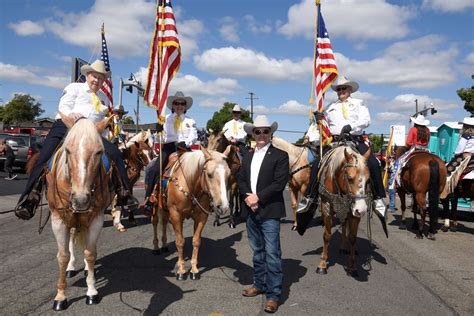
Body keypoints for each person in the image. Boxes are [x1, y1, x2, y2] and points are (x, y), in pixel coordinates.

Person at [14, 59, 138, 220]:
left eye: (101, 78)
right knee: (44, 157)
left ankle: (124, 193)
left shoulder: (103, 99)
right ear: (87, 75)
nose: (97, 80)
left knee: (115, 154)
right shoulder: (74, 88)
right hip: (67, 126)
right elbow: (63, 106)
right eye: (94, 76)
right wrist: (71, 114)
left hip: (92, 132)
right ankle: (29, 198)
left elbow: (102, 121)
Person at [296, 76, 388, 235]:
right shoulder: (330, 106)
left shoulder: (359, 104)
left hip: (354, 139)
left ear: (350, 90)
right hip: (335, 142)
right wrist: (319, 119)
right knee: (317, 164)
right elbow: (324, 127)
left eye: (344, 88)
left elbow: (366, 120)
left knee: (373, 163)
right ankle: (309, 198)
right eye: (339, 89)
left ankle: (379, 198)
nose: (341, 91)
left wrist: (351, 126)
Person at [238, 115, 289, 314]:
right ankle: (259, 284)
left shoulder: (280, 155)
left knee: (272, 254)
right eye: (257, 131)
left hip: (269, 210)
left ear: (270, 133)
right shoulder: (249, 156)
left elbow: (279, 183)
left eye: (265, 131)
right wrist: (248, 197)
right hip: (251, 210)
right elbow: (241, 179)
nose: (261, 134)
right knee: (257, 252)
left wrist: (257, 197)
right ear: (253, 134)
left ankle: (273, 295)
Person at [142, 91, 198, 214]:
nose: (179, 106)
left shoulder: (191, 121)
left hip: (185, 149)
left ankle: (203, 198)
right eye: (177, 103)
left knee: (201, 168)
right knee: (154, 169)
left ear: (185, 106)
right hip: (169, 147)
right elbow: (159, 138)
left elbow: (194, 136)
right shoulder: (165, 119)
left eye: (182, 103)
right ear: (172, 105)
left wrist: (186, 143)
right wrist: (159, 133)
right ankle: (149, 198)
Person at [393, 114, 430, 186]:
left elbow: (408, 143)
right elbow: (428, 141)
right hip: (425, 150)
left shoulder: (413, 129)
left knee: (399, 162)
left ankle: (397, 180)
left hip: (414, 149)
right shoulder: (427, 130)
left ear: (415, 122)